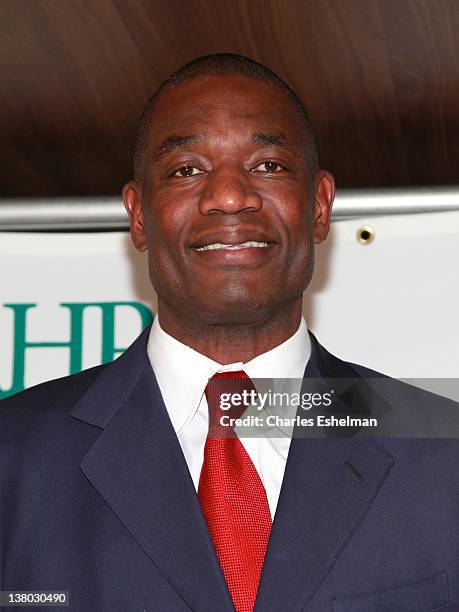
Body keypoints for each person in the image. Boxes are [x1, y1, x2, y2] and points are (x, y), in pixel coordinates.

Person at [1, 54, 458, 612]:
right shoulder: (14, 456)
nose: (229, 195)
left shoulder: (443, 450)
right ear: (138, 215)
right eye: (186, 169)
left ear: (319, 206)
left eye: (267, 165)